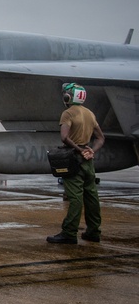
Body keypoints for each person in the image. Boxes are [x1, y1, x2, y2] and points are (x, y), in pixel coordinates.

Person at [47, 82, 105, 244]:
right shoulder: (89, 114)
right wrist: (91, 150)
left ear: (68, 97)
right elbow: (101, 138)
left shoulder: (68, 113)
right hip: (88, 160)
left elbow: (64, 137)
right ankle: (93, 231)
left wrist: (79, 150)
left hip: (73, 158)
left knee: (75, 197)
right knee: (91, 196)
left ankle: (69, 233)